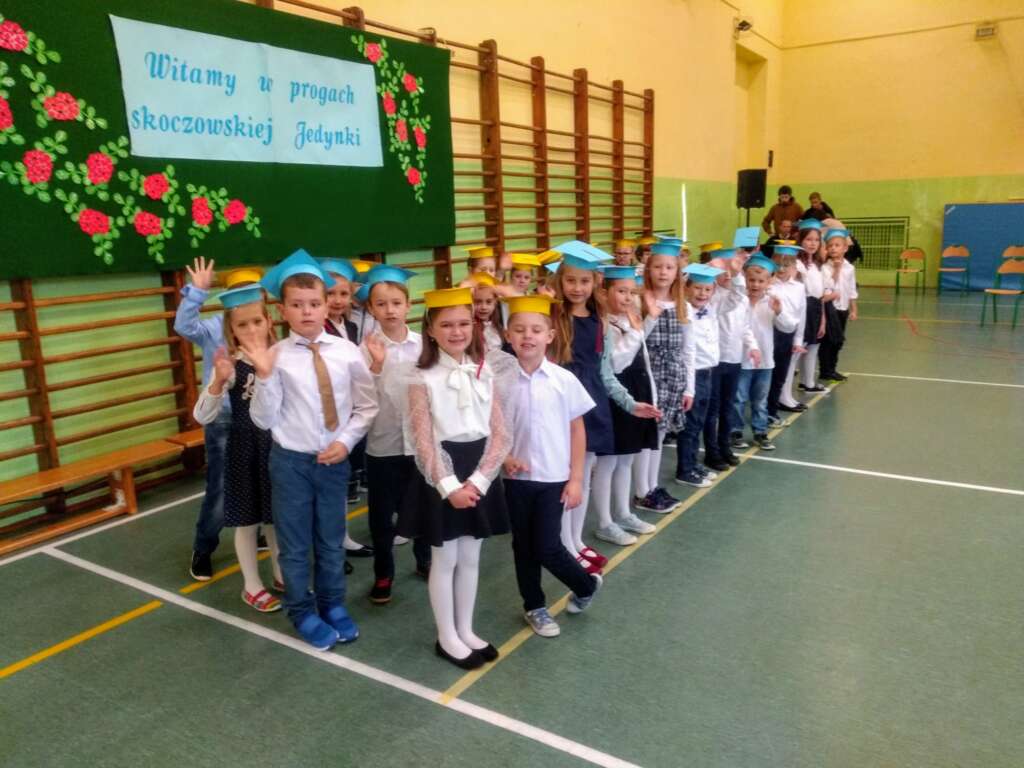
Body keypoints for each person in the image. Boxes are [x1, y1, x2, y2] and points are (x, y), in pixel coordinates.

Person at [247, 249, 378, 651]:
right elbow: (263, 420)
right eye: (297, 305)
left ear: (327, 306)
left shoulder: (346, 352)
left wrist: (345, 442)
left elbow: (366, 406)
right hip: (290, 463)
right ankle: (301, 610)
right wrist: (264, 376)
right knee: (295, 544)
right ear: (282, 310)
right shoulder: (274, 357)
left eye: (314, 304)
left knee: (331, 539)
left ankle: (332, 604)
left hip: (333, 461)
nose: (307, 312)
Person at [395, 286, 511, 670]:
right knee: (444, 560)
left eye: (463, 323)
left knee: (471, 557)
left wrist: (479, 481)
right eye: (446, 325)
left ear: (474, 326)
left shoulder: (486, 369)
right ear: (430, 330)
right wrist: (449, 487)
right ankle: (446, 636)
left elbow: (500, 433)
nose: (456, 331)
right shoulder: (420, 377)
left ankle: (466, 629)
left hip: (479, 471)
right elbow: (422, 439)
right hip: (441, 475)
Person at [548, 242, 659, 571]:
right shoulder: (553, 316)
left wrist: (630, 404)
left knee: (581, 478)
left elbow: (606, 372)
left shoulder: (600, 321)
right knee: (565, 479)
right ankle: (564, 544)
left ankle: (576, 541)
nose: (577, 288)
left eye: (584, 281)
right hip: (561, 406)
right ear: (560, 281)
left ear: (594, 282)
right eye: (570, 280)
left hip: (592, 405)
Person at [501, 294, 604, 638]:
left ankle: (585, 584)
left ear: (550, 335)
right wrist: (504, 457)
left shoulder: (563, 380)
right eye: (519, 330)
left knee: (547, 546)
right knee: (523, 546)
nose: (527, 336)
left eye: (535, 330)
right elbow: (494, 428)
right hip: (516, 479)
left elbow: (577, 431)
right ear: (508, 335)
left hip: (554, 478)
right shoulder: (500, 381)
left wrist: (576, 479)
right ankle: (535, 606)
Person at [192, 284, 283, 613]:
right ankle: (251, 585)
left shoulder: (282, 356)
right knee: (247, 520)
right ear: (231, 330)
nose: (252, 330)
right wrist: (218, 381)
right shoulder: (231, 365)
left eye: (257, 321)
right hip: (244, 449)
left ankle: (281, 573)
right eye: (242, 325)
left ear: (269, 321)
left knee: (275, 518)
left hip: (278, 449)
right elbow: (202, 415)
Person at [177, 257, 261, 581]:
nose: (247, 302)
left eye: (253, 294)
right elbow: (184, 326)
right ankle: (204, 546)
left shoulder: (263, 328)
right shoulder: (213, 327)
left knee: (260, 479)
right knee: (221, 488)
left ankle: (257, 529)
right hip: (224, 418)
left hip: (259, 418)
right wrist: (197, 292)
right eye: (239, 295)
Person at [356, 264, 431, 605]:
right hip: (382, 446)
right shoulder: (365, 349)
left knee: (423, 507)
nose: (390, 310)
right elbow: (360, 396)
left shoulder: (424, 346)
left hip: (418, 444)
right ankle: (383, 572)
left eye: (396, 303)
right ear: (371, 309)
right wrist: (375, 365)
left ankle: (424, 558)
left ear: (408, 306)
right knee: (381, 517)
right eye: (381, 304)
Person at [591, 266, 661, 547]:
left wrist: (642, 325)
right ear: (603, 293)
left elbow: (641, 357)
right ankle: (604, 522)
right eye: (621, 291)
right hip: (615, 397)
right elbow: (617, 364)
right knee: (608, 462)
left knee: (627, 459)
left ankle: (623, 513)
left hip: (635, 393)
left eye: (632, 292)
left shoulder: (628, 319)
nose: (629, 298)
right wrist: (637, 330)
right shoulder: (605, 324)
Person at [637, 236, 694, 512]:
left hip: (673, 375)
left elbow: (688, 349)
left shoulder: (683, 305)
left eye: (669, 268)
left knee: (659, 434)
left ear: (677, 272)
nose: (663, 272)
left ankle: (652, 485)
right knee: (646, 434)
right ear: (649, 269)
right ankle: (642, 491)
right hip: (647, 374)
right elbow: (637, 340)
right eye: (657, 266)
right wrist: (651, 314)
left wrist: (689, 388)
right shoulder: (641, 300)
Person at [320, 257, 374, 544]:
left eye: (344, 293)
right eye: (331, 293)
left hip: (349, 409)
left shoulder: (350, 327)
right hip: (329, 411)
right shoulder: (319, 330)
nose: (338, 300)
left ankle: (342, 538)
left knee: (342, 478)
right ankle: (331, 541)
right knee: (329, 483)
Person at [674, 262, 739, 487]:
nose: (702, 293)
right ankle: (685, 470)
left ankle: (692, 464)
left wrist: (735, 276)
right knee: (690, 425)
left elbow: (735, 299)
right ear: (687, 288)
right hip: (693, 374)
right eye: (697, 288)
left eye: (708, 289)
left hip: (709, 372)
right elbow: (687, 350)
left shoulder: (711, 308)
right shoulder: (683, 311)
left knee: (699, 423)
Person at [732, 254, 798, 451]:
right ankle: (735, 431)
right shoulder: (738, 300)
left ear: (769, 282)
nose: (755, 284)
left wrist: (779, 311)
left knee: (760, 400)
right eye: (751, 280)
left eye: (761, 281)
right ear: (744, 279)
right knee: (738, 398)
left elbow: (788, 327)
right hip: (741, 359)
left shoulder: (772, 302)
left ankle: (760, 432)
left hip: (765, 361)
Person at [702, 246, 757, 470]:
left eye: (730, 272)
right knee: (713, 410)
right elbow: (733, 296)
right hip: (715, 361)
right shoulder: (714, 297)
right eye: (722, 271)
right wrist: (729, 272)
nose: (727, 275)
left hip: (734, 359)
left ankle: (725, 447)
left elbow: (745, 327)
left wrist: (753, 347)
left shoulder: (740, 298)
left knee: (728, 407)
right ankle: (712, 452)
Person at [766, 248, 807, 425]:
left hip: (786, 335)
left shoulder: (799, 288)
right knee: (765, 376)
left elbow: (801, 315)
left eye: (786, 265)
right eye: (777, 264)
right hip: (768, 334)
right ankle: (762, 410)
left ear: (794, 267)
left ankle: (772, 410)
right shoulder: (767, 286)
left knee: (780, 376)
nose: (781, 269)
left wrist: (798, 340)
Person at [819, 227, 858, 381]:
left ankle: (832, 368)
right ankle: (825, 370)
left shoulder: (850, 268)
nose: (833, 248)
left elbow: (852, 289)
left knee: (838, 341)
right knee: (829, 341)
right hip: (830, 308)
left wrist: (853, 309)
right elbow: (827, 286)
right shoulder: (824, 268)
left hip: (843, 308)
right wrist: (836, 270)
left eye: (837, 245)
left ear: (845, 248)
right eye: (830, 246)